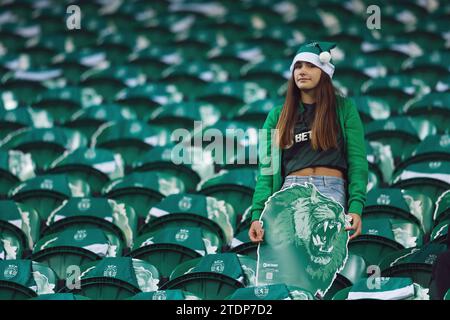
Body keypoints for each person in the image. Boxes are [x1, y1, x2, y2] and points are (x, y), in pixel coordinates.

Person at [249, 40, 368, 243]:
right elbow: (267, 170)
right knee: (289, 265)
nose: (302, 71)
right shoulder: (277, 115)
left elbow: (357, 161)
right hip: (289, 190)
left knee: (320, 259)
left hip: (331, 188)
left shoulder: (345, 108)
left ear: (325, 71)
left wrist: (356, 206)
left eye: (310, 65)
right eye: (298, 66)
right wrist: (257, 214)